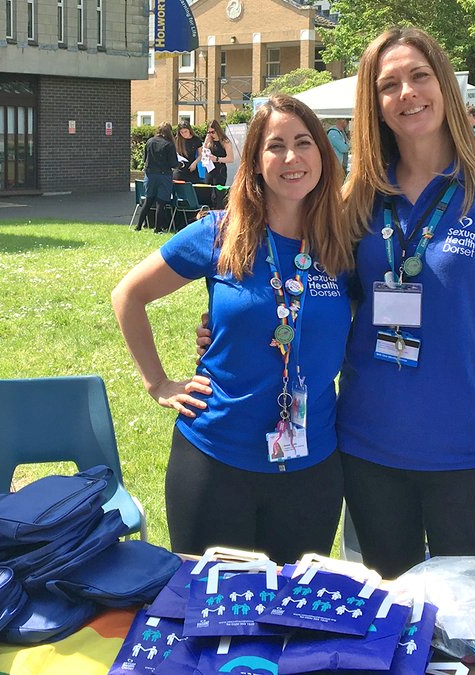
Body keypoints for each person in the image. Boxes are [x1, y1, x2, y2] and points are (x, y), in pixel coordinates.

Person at [336, 26, 475, 578]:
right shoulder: (354, 199)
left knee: (471, 637)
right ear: (375, 103)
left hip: (472, 453)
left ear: (444, 86)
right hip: (368, 448)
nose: (407, 93)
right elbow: (319, 296)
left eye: (419, 76)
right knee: (385, 631)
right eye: (389, 84)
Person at [112, 95, 362, 563]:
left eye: (304, 142)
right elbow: (128, 295)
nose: (292, 157)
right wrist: (158, 383)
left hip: (312, 470)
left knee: (290, 623)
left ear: (323, 156)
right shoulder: (220, 232)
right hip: (214, 461)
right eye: (276, 146)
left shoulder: (343, 242)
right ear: (255, 160)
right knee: (208, 620)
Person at [132, 122, 179, 232]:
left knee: (148, 201)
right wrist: (180, 165)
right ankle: (158, 229)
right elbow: (173, 163)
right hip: (164, 176)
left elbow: (144, 159)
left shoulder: (149, 142)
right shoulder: (169, 144)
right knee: (161, 203)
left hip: (150, 174)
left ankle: (138, 226)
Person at [202, 120, 233, 187]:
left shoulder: (225, 141)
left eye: (213, 132)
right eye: (209, 132)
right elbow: (203, 154)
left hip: (220, 170)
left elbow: (230, 159)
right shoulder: (210, 141)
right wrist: (205, 142)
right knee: (207, 191)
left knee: (217, 194)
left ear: (218, 130)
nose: (211, 134)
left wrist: (217, 159)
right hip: (209, 170)